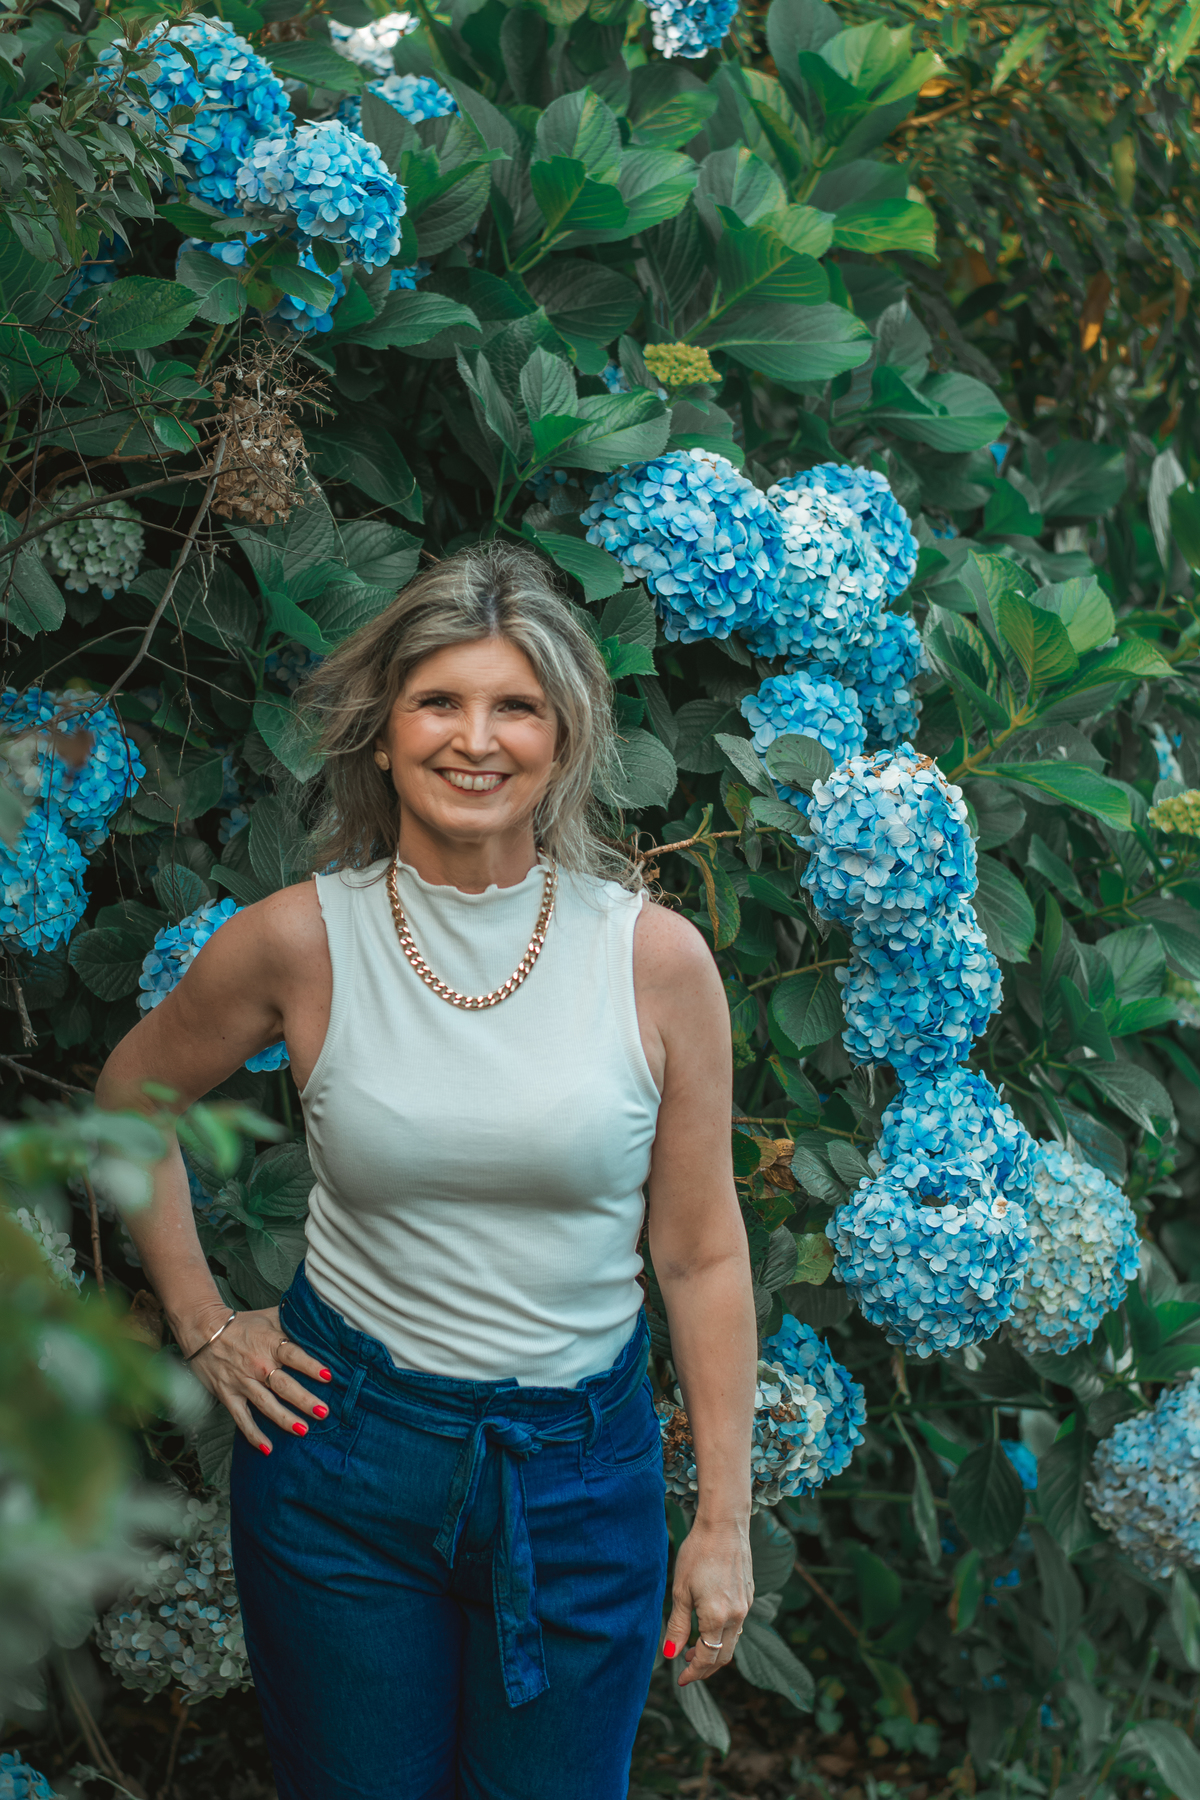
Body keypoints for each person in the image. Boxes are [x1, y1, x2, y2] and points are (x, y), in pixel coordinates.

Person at [97, 543, 756, 1800]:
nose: (477, 739)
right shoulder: (299, 942)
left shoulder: (656, 963)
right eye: (439, 700)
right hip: (344, 1462)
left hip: (579, 1481)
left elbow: (700, 1252)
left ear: (564, 738)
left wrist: (723, 1522)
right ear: (384, 729)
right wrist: (201, 1321)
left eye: (517, 706)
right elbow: (133, 1101)